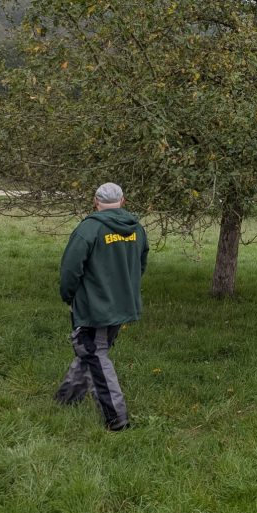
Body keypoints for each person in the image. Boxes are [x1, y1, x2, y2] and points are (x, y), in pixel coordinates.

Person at [55, 182, 149, 431]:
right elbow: (140, 265)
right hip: (122, 305)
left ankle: (116, 418)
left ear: (95, 201)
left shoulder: (90, 228)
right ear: (123, 200)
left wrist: (69, 297)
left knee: (94, 353)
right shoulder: (137, 229)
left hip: (94, 307)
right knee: (91, 350)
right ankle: (66, 399)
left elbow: (70, 271)